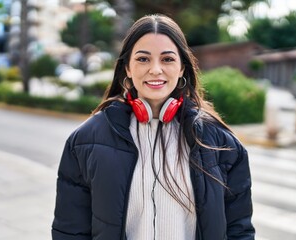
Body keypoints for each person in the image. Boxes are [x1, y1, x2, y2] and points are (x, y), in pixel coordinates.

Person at [52, 14, 255, 240]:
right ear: (127, 68)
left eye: (167, 59)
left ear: (181, 68)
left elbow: (239, 231)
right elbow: (70, 232)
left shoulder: (221, 143)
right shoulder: (84, 141)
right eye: (143, 59)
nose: (156, 69)